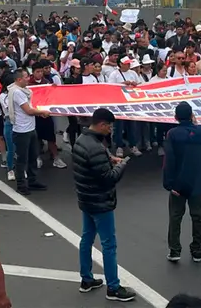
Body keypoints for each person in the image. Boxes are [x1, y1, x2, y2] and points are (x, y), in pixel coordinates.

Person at [71, 107, 136, 302]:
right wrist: (121, 164)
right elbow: (108, 178)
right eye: (109, 126)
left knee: (87, 238)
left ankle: (86, 279)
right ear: (101, 124)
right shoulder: (96, 147)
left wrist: (109, 159)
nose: (111, 130)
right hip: (100, 201)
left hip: (85, 198)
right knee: (109, 245)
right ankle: (113, 288)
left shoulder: (82, 141)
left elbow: (95, 164)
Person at [162, 102, 201, 263]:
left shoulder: (172, 134)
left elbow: (169, 161)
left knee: (176, 216)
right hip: (199, 182)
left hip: (180, 182)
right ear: (192, 115)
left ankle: (175, 250)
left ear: (175, 117)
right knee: (197, 216)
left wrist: (169, 184)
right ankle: (197, 249)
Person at [6, 69, 50, 195]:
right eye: (26, 77)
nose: (28, 78)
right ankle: (21, 184)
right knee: (22, 159)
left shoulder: (24, 91)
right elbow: (28, 110)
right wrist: (42, 112)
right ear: (19, 79)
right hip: (21, 131)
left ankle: (32, 180)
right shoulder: (17, 92)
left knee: (32, 156)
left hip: (30, 128)